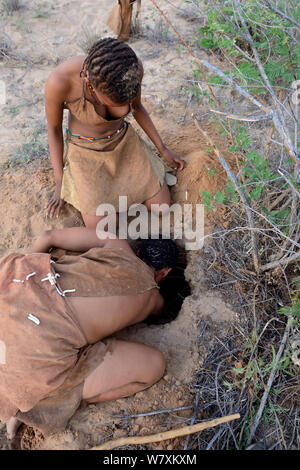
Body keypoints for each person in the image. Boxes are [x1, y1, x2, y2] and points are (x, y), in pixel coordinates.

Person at [0, 227, 178, 439]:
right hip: (34, 357)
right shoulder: (154, 300)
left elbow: (49, 235)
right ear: (165, 273)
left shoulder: (117, 244)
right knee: (154, 365)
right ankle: (40, 406)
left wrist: (26, 274)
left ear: (138, 251)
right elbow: (160, 315)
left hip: (14, 293)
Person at [45, 37, 184, 228]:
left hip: (123, 143)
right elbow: (53, 129)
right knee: (105, 227)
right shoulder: (60, 82)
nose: (124, 107)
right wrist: (60, 182)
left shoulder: (129, 71)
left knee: (161, 207)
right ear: (88, 81)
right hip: (85, 152)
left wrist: (163, 148)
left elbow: (138, 108)